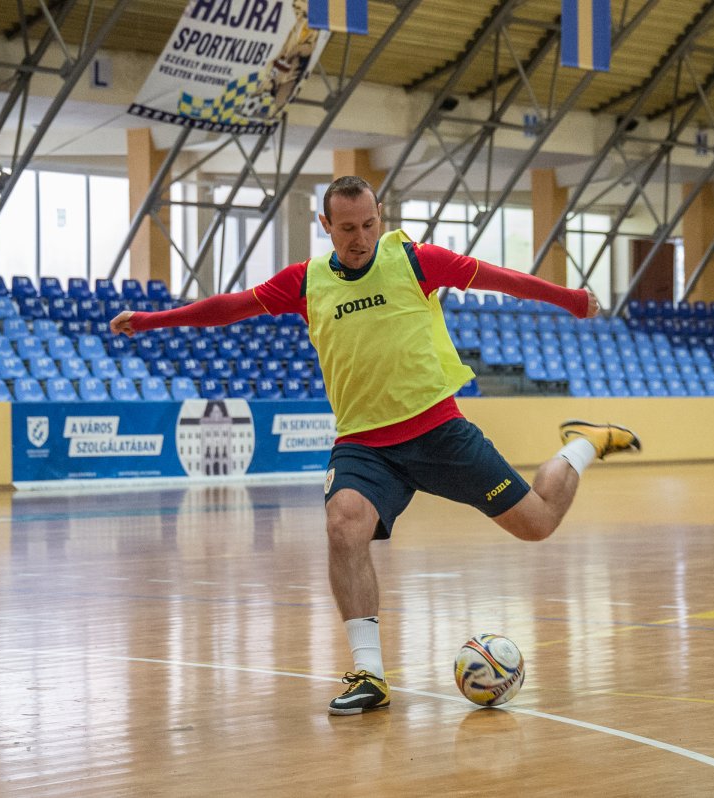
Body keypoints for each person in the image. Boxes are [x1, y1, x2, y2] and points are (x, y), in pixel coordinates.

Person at [111, 175, 641, 715]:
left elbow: (501, 279)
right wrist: (154, 320)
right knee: (344, 522)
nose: (360, 238)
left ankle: (583, 443)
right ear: (325, 227)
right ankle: (370, 675)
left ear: (379, 216)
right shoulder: (305, 281)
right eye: (347, 229)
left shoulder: (415, 261)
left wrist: (572, 300)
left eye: (369, 224)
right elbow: (230, 307)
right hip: (365, 445)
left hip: (439, 432)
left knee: (539, 523)